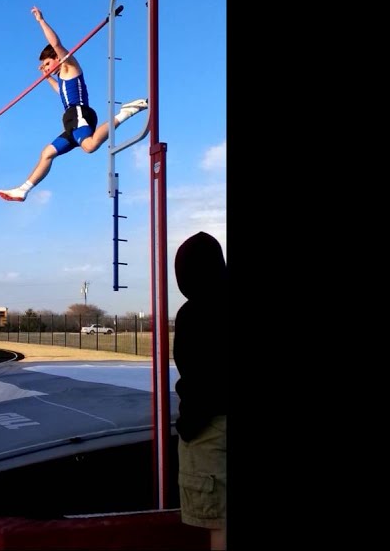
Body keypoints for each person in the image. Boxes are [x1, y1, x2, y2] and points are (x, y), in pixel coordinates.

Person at [0, 6, 148, 202]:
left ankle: (125, 112)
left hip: (79, 113)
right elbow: (62, 92)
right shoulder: (63, 77)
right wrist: (46, 77)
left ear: (57, 58)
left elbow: (56, 43)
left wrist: (41, 21)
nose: (46, 68)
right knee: (47, 153)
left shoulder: (70, 66)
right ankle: (23, 190)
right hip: (71, 118)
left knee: (90, 146)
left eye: (47, 63)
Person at [172, 231, 228, 550]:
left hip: (208, 429)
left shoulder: (192, 315)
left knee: (219, 522)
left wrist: (190, 424)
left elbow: (195, 376)